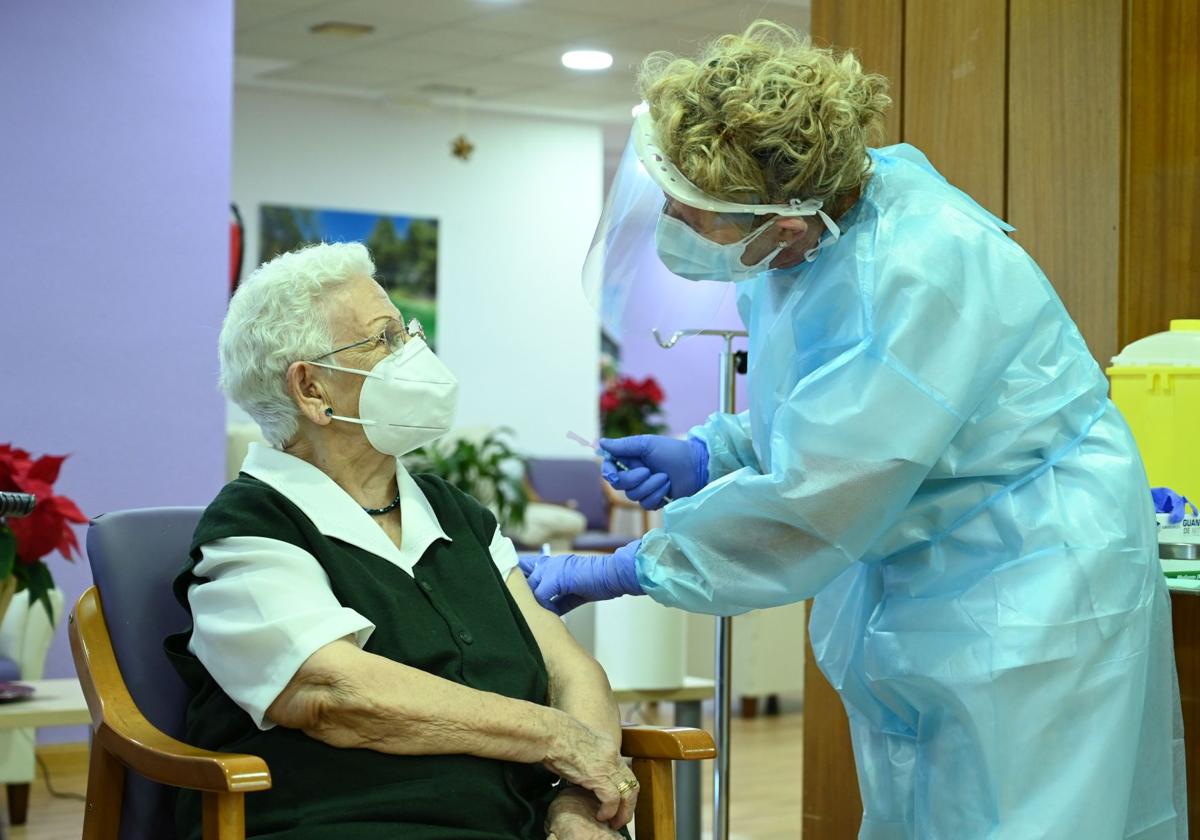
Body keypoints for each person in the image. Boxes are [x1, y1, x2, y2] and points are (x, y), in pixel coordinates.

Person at [520, 21, 1187, 839]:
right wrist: (713, 449)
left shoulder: (921, 265)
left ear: (783, 223)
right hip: (934, 571)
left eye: (689, 214)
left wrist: (624, 568)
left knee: (1028, 818)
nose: (669, 222)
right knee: (923, 814)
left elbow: (821, 491)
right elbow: (831, 406)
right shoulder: (806, 250)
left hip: (1033, 584)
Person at [165, 242, 636, 840]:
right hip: (342, 823)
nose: (413, 353)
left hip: (512, 823)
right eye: (384, 339)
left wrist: (575, 798)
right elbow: (335, 691)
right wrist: (556, 738)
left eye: (406, 331)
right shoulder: (251, 529)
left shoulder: (455, 515)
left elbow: (569, 668)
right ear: (311, 389)